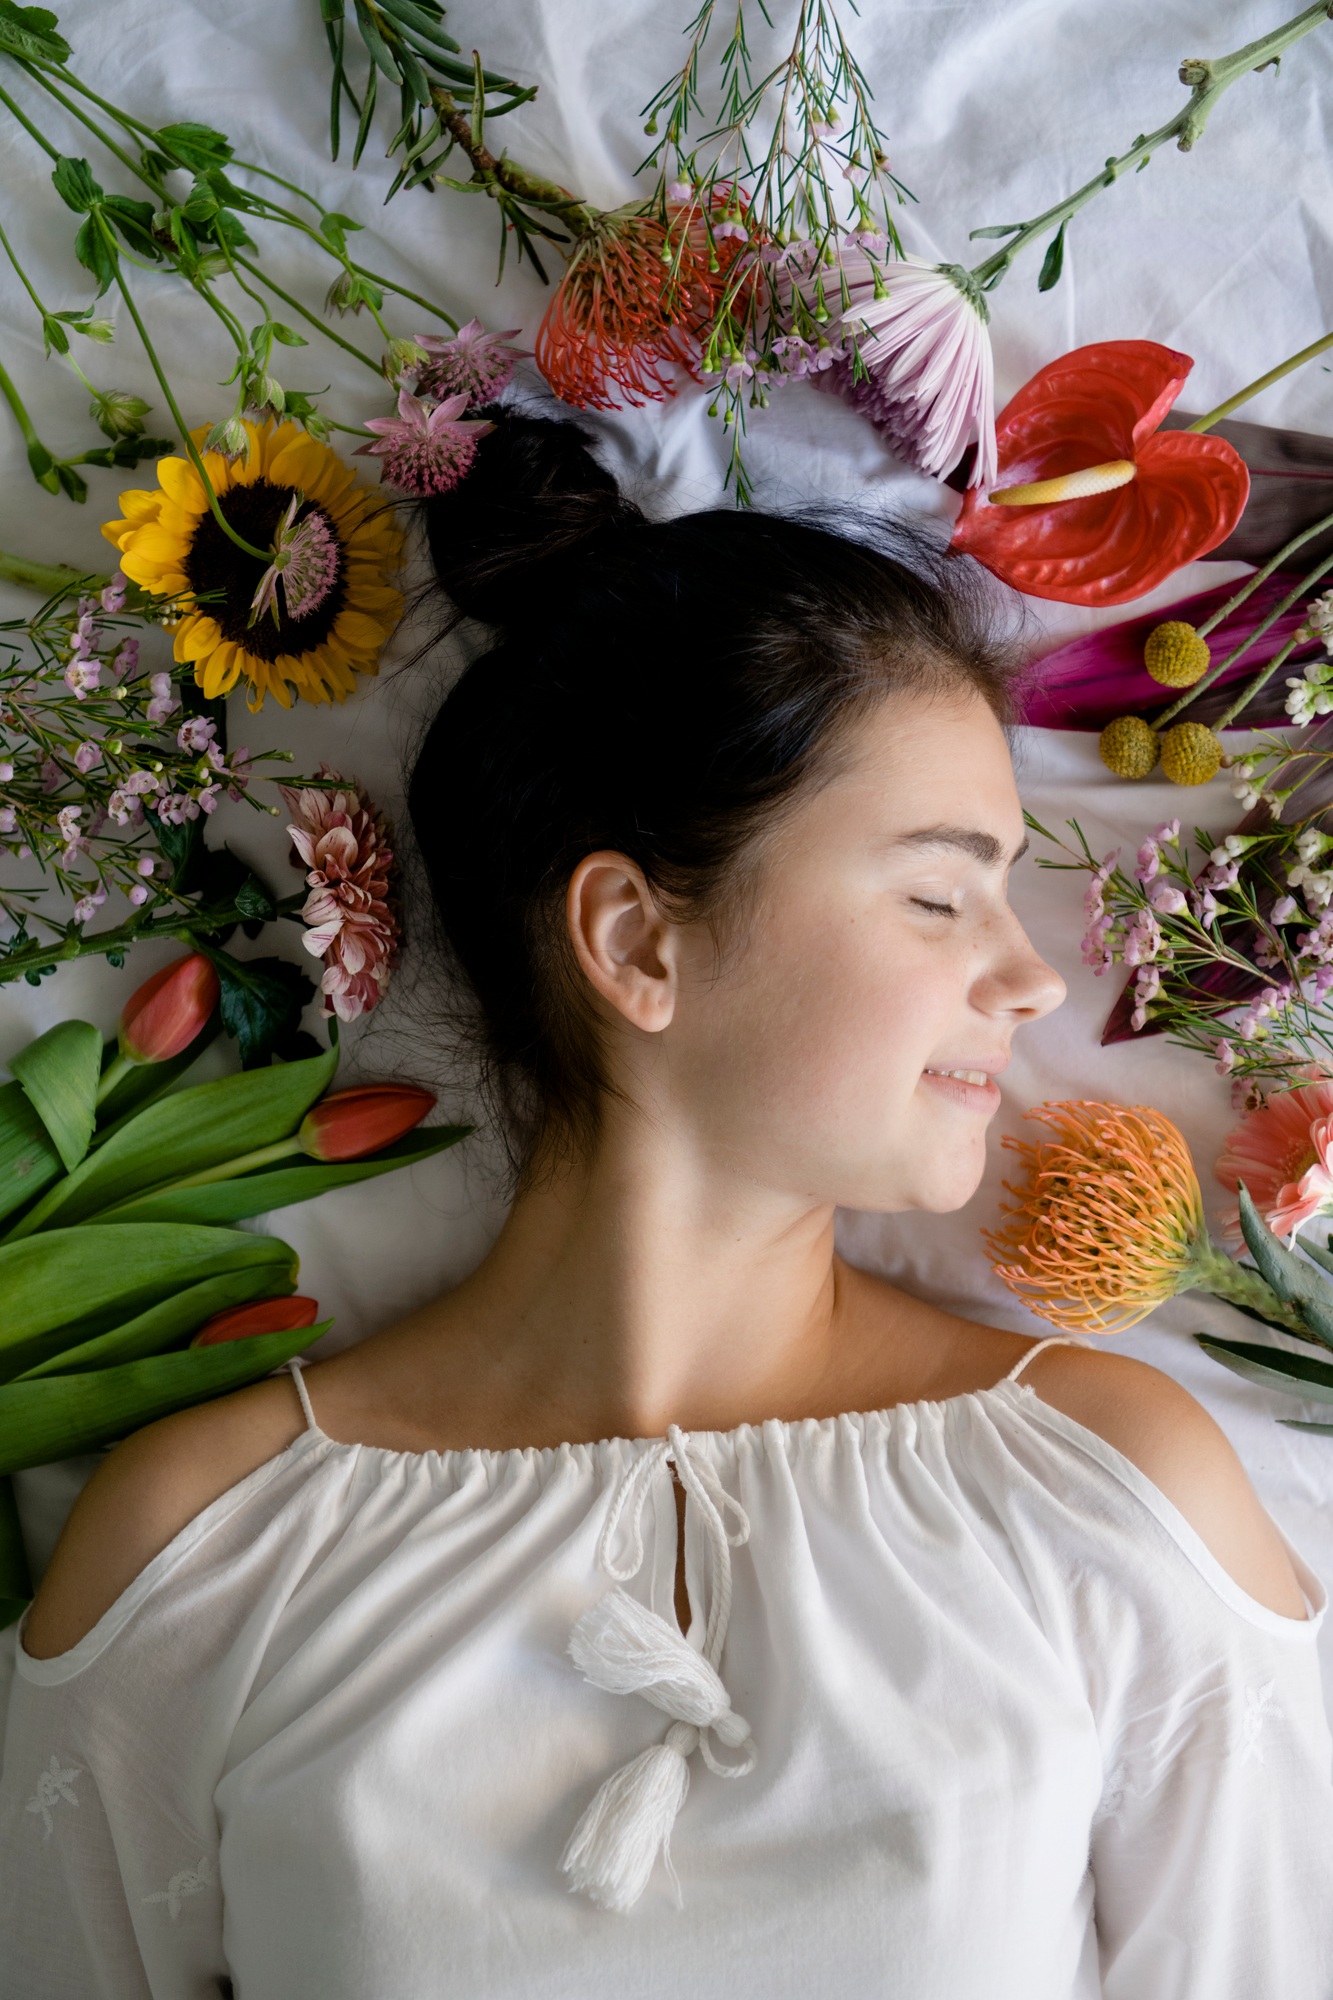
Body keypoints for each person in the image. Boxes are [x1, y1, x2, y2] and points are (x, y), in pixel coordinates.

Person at [2, 413, 1330, 1999]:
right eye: (935, 892)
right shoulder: (208, 1559)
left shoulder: (1105, 1506)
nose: (1030, 974)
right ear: (635, 940)